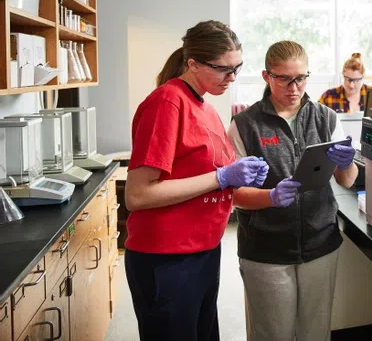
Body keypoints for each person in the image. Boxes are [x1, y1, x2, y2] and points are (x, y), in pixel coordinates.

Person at [124, 20, 269, 341]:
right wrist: (220, 177)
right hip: (167, 257)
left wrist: (242, 175)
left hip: (203, 249)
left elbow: (210, 175)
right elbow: (138, 195)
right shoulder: (167, 102)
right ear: (192, 63)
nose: (232, 79)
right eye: (223, 70)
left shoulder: (206, 109)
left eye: (237, 69)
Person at [228, 40, 358, 341]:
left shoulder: (325, 117)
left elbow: (346, 181)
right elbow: (233, 194)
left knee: (315, 332)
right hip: (266, 248)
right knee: (274, 334)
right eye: (283, 78)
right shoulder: (244, 125)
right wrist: (270, 197)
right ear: (266, 77)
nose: (294, 87)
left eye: (300, 78)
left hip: (320, 242)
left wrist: (348, 163)